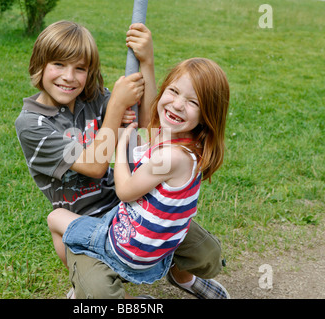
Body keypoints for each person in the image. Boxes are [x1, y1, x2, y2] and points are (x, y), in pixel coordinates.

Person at [16, 20, 228, 299]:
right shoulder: (33, 123)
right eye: (58, 64)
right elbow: (95, 165)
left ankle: (182, 277)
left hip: (131, 210)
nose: (69, 77)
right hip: (84, 219)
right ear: (38, 64)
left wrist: (147, 63)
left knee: (207, 254)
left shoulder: (91, 98)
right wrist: (115, 107)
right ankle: (86, 280)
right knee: (99, 296)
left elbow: (149, 124)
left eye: (80, 68)